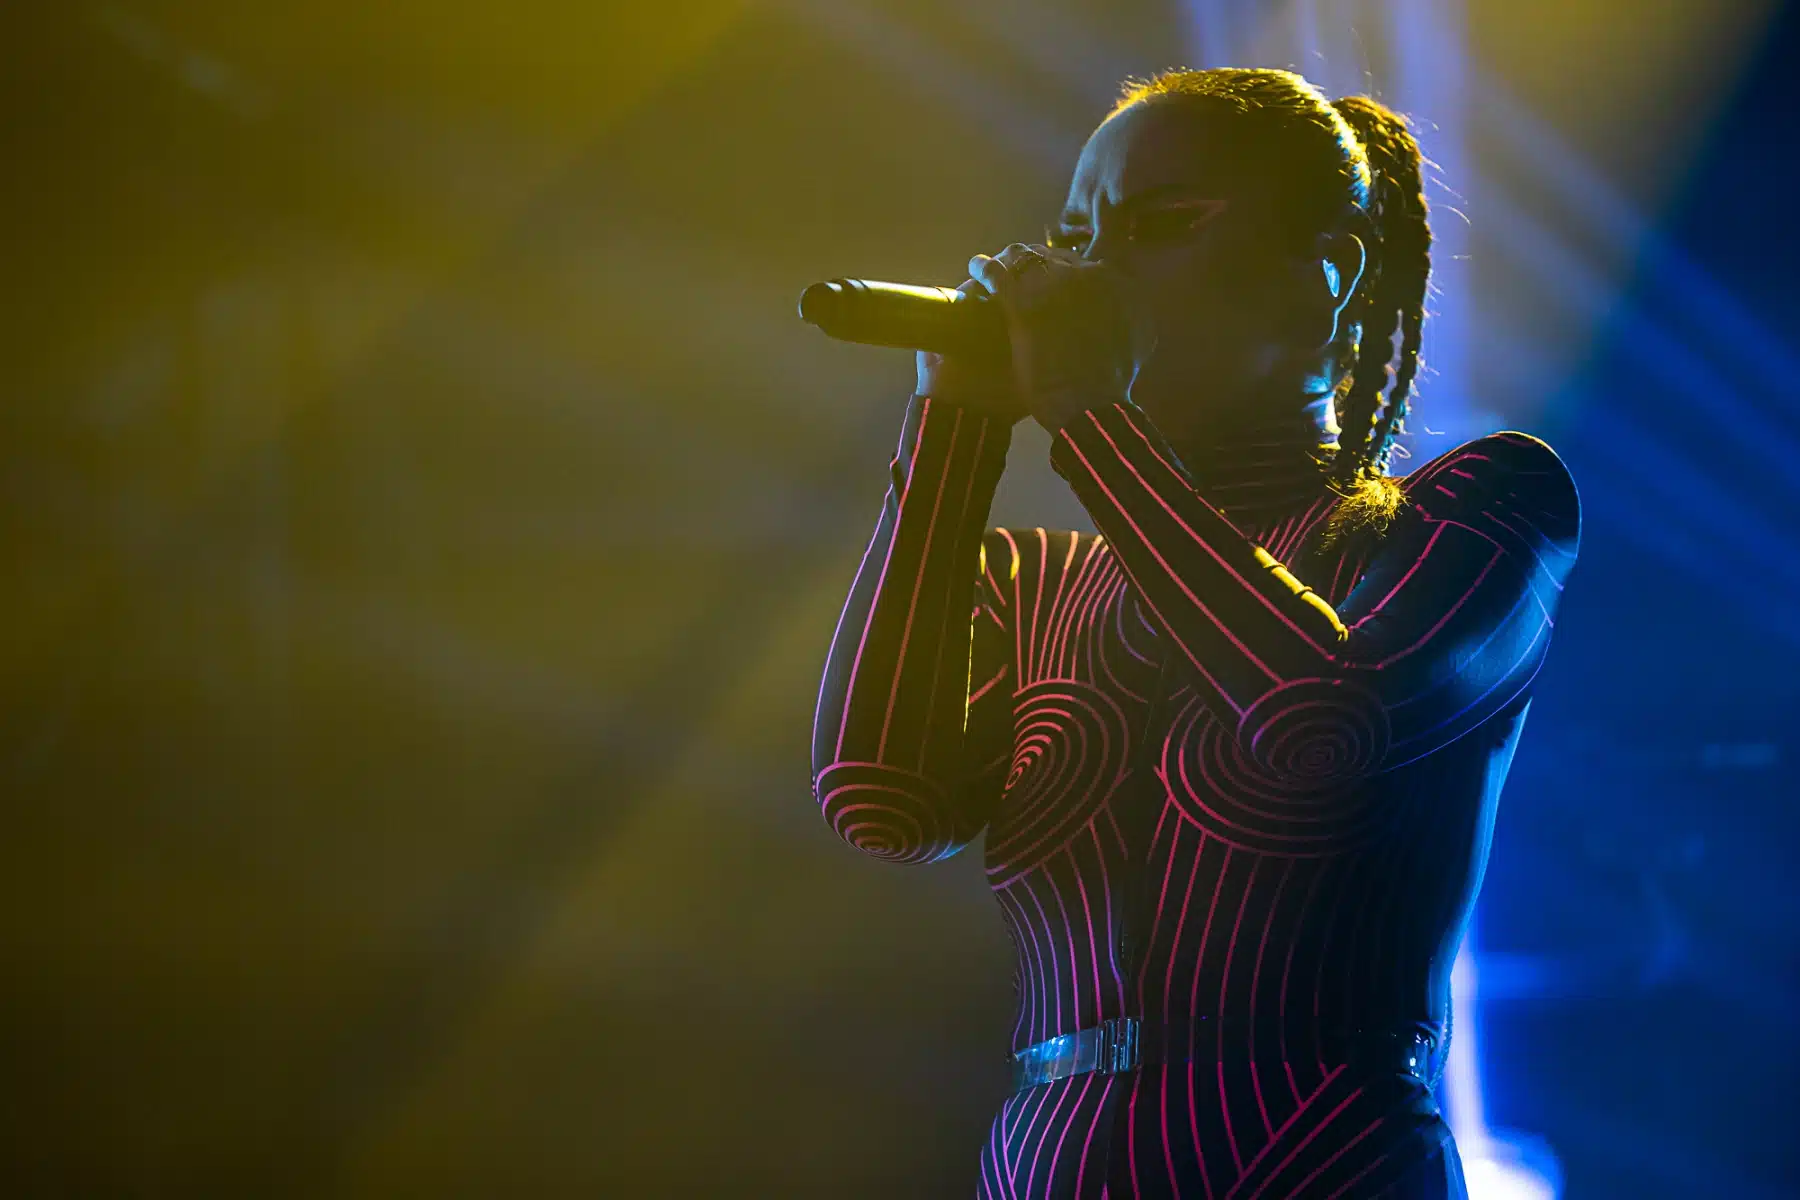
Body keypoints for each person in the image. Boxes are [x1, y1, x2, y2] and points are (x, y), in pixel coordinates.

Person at [810, 67, 1580, 1199]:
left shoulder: (1483, 505)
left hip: (1319, 1160)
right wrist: (952, 429)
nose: (1090, 275)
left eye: (1159, 226)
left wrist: (1091, 418)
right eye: (1075, 239)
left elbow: (1317, 719)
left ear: (1325, 276)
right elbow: (879, 799)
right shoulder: (1038, 582)